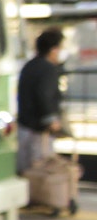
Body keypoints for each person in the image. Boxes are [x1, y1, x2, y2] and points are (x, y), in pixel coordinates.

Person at [16, 27, 65, 175]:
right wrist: (51, 119)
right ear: (54, 49)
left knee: (25, 167)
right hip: (39, 128)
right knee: (41, 168)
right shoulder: (48, 69)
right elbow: (44, 94)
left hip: (24, 124)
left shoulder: (29, 66)